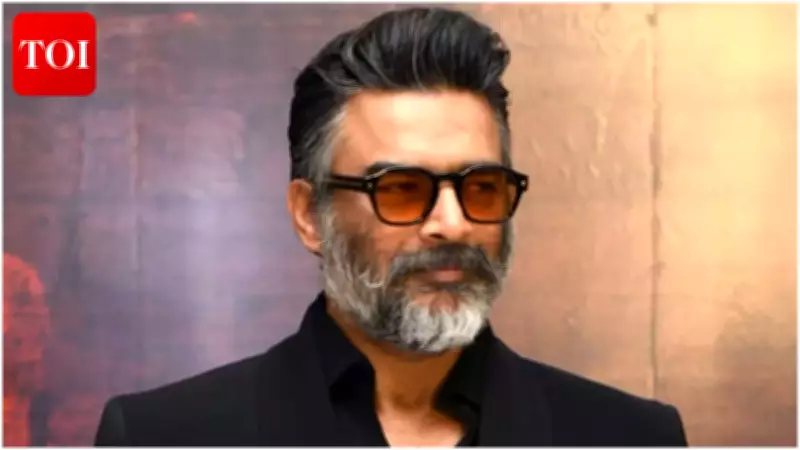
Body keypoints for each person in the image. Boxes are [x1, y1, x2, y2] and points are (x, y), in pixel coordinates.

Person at [94, 7, 688, 446]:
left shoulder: (632, 437)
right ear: (309, 216)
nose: (453, 224)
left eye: (481, 187)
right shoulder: (162, 436)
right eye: (402, 189)